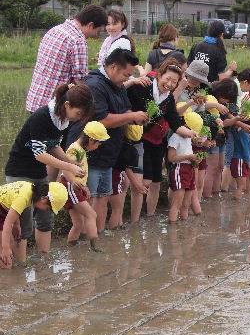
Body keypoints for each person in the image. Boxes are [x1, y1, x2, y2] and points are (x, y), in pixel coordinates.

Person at [66, 49, 148, 234]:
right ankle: (84, 241)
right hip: (90, 154)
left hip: (108, 155)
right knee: (87, 197)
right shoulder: (95, 85)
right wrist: (131, 116)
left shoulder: (117, 85)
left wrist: (134, 117)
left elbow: (125, 109)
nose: (127, 79)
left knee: (102, 197)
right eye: (126, 74)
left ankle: (99, 237)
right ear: (112, 67)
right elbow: (101, 119)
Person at [5, 83, 93, 253]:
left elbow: (53, 145)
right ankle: (18, 266)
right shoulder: (42, 117)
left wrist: (70, 161)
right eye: (78, 114)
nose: (77, 118)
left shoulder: (62, 120)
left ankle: (43, 261)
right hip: (19, 172)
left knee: (45, 218)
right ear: (67, 105)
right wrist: (68, 165)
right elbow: (39, 154)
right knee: (23, 221)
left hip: (38, 173)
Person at [127, 59, 197, 220]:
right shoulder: (142, 86)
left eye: (174, 81)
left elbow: (175, 123)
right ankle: (135, 221)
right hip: (137, 139)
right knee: (144, 181)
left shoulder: (168, 99)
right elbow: (124, 103)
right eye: (167, 79)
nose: (170, 84)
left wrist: (192, 133)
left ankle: (150, 217)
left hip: (157, 141)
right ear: (159, 75)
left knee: (156, 182)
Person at [26, 5, 108, 113]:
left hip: (35, 100)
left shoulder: (56, 29)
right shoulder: (78, 40)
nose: (96, 35)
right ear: (90, 25)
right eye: (97, 31)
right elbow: (81, 80)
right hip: (54, 107)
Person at [61, 121, 110, 251]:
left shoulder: (81, 149)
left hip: (77, 187)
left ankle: (71, 248)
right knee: (91, 215)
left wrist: (84, 187)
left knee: (78, 223)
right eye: (99, 142)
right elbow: (65, 169)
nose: (99, 145)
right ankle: (95, 246)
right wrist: (73, 181)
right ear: (91, 140)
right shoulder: (74, 149)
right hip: (71, 186)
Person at [0, 181, 68, 269]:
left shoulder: (29, 190)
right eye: (48, 208)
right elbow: (7, 223)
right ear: (44, 199)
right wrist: (5, 248)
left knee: (9, 244)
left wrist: (17, 225)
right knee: (6, 257)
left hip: (3, 208)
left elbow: (11, 202)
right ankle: (7, 277)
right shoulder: (23, 198)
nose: (46, 210)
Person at [98, 9, 143, 76]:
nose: (111, 27)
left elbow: (119, 68)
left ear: (123, 24)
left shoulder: (123, 42)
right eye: (108, 24)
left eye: (115, 24)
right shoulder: (109, 40)